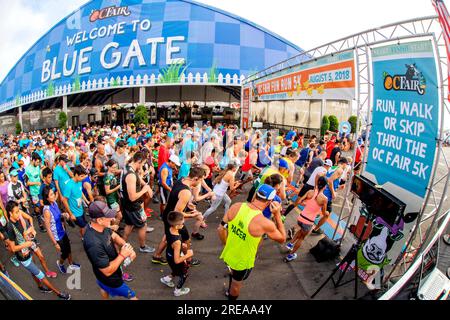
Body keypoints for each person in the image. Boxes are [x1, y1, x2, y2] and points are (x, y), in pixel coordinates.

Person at [217, 184, 286, 300]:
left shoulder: (236, 206)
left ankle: (230, 290)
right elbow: (282, 238)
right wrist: (277, 214)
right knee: (236, 285)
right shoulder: (264, 223)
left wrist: (226, 244)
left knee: (232, 273)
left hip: (228, 253)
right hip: (243, 261)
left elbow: (221, 228)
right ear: (270, 202)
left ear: (255, 195)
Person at [3, 201, 70, 299]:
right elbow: (13, 248)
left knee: (34, 271)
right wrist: (26, 243)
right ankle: (59, 293)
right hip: (23, 258)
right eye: (16, 212)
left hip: (28, 251)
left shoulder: (17, 220)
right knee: (40, 274)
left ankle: (40, 287)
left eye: (19, 211)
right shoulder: (9, 227)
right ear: (10, 213)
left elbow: (22, 235)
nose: (19, 214)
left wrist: (30, 233)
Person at [83, 201, 138, 300]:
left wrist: (126, 246)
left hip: (103, 273)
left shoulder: (102, 227)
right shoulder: (93, 243)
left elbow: (114, 236)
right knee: (133, 297)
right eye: (108, 216)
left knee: (103, 287)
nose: (112, 218)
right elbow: (107, 271)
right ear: (99, 220)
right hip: (110, 278)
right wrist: (123, 255)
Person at [152, 167, 206, 265]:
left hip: (167, 214)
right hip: (174, 219)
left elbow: (174, 196)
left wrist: (187, 205)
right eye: (201, 180)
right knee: (186, 239)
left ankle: (157, 256)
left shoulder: (181, 179)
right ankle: (188, 260)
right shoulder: (186, 192)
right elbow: (178, 212)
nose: (201, 182)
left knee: (167, 237)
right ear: (195, 179)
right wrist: (193, 215)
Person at [284, 176, 329, 262]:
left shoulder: (310, 192)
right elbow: (324, 213)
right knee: (301, 238)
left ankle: (290, 244)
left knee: (300, 231)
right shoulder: (324, 199)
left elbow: (300, 200)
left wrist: (307, 203)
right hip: (308, 221)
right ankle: (291, 255)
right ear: (325, 186)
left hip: (301, 217)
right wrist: (326, 213)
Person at [121, 152, 155, 253]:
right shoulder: (130, 175)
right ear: (139, 161)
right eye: (143, 163)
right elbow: (132, 197)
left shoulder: (128, 167)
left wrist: (146, 185)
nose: (143, 166)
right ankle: (143, 247)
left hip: (127, 204)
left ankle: (122, 245)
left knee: (129, 225)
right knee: (143, 225)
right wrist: (145, 190)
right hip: (133, 205)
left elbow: (138, 179)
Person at [42, 186, 80, 273]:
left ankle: (71, 264)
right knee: (65, 253)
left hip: (62, 231)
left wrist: (64, 214)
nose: (53, 195)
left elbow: (58, 215)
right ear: (47, 198)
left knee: (69, 248)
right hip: (57, 236)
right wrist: (55, 243)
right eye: (51, 194)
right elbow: (48, 229)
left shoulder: (54, 203)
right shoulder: (47, 211)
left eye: (53, 193)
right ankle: (60, 263)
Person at [160, 211, 194, 297]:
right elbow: (177, 260)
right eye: (182, 223)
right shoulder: (177, 241)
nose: (183, 224)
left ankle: (166, 279)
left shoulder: (169, 228)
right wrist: (188, 255)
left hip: (169, 253)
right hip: (174, 257)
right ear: (176, 226)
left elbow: (165, 240)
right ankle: (177, 290)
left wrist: (175, 246)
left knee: (176, 270)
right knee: (184, 274)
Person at [61, 165, 88, 237]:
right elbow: (64, 200)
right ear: (76, 175)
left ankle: (83, 236)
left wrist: (86, 201)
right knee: (84, 227)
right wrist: (71, 214)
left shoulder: (79, 181)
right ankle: (84, 239)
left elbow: (80, 192)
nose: (83, 178)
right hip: (75, 213)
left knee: (83, 226)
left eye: (83, 176)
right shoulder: (69, 185)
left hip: (81, 209)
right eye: (81, 176)